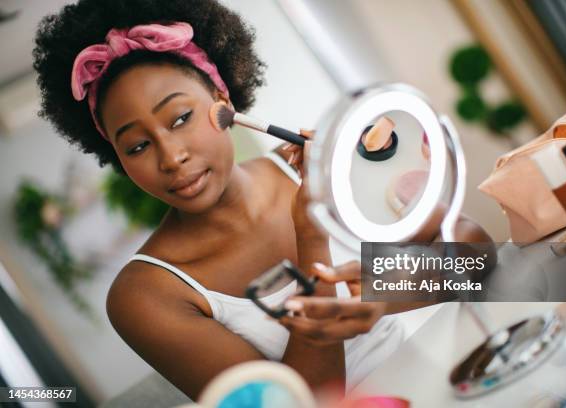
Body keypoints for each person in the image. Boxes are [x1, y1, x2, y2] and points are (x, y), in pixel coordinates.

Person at [33, 0, 495, 400]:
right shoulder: (145, 297)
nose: (171, 157)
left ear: (222, 100)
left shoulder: (315, 167)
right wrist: (312, 238)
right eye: (136, 146)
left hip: (473, 373)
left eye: (179, 118)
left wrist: (382, 294)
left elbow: (477, 255)